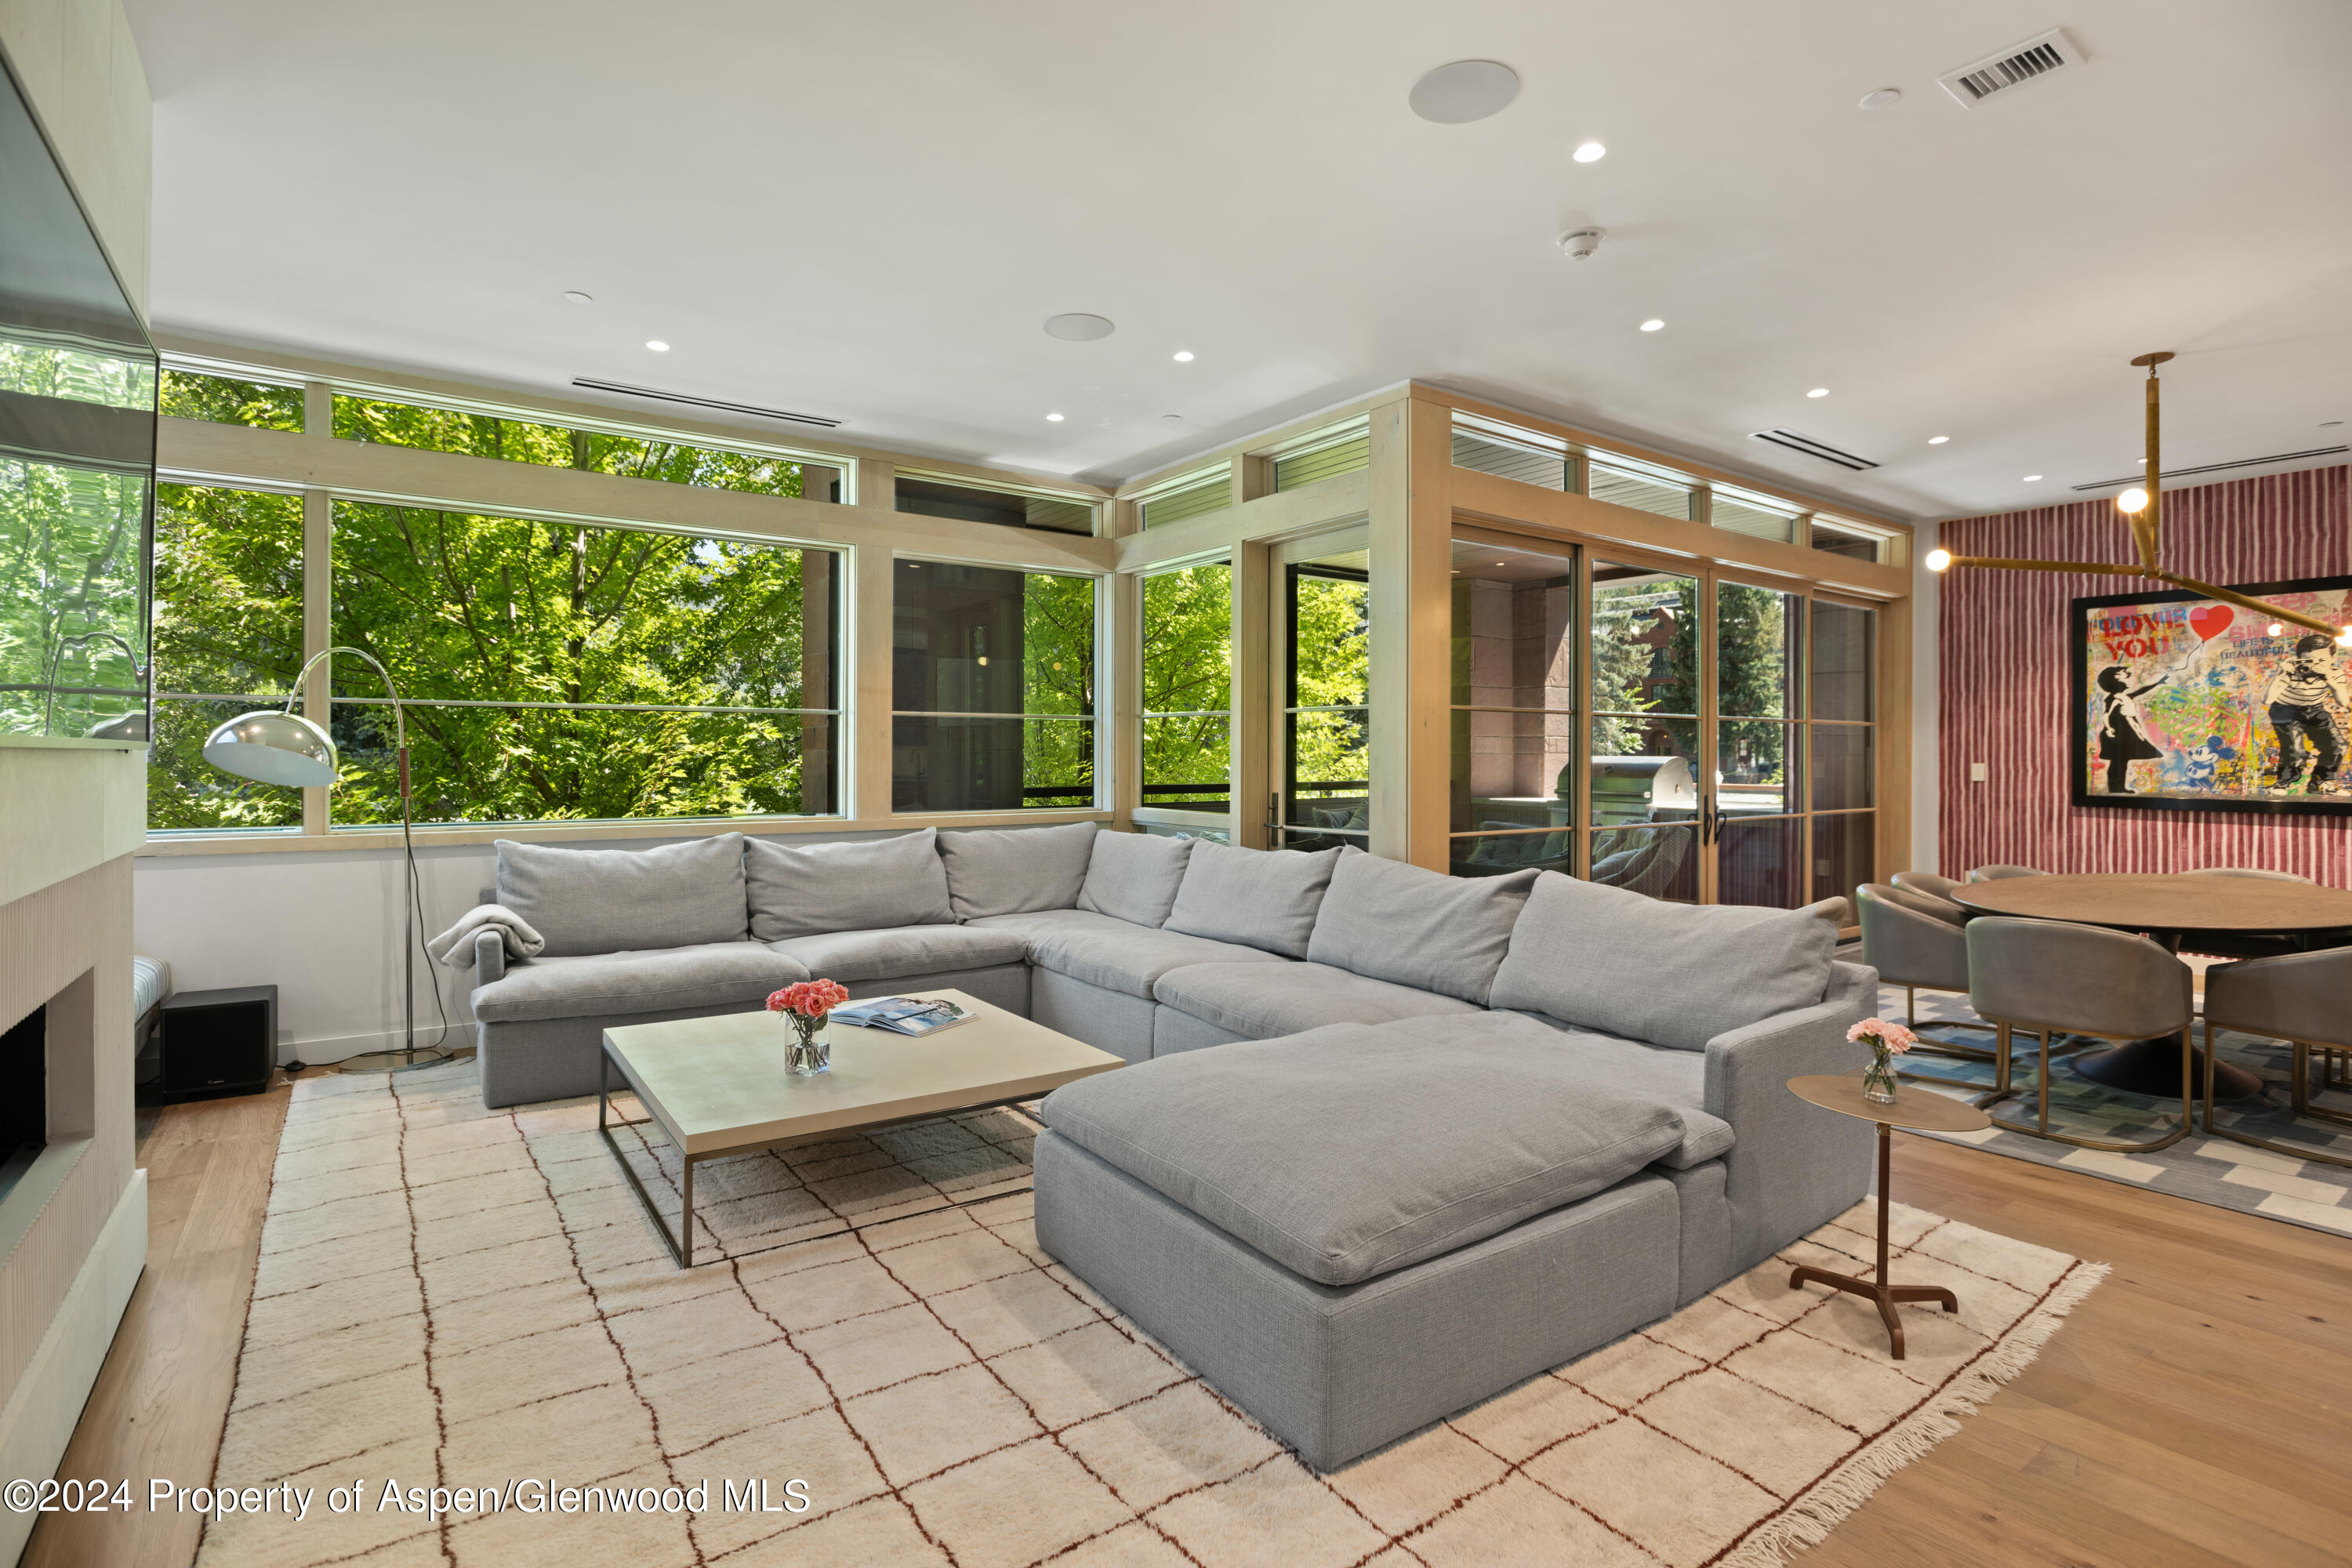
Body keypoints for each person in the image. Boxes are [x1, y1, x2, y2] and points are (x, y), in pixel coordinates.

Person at [2263, 633, 2350, 791]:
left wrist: (2328, 677)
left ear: (2333, 657)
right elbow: (2267, 700)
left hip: (2314, 708)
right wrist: (2281, 675)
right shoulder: (2292, 671)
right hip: (2284, 708)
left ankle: (2320, 782)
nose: (2314, 666)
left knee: (2338, 746)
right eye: (2308, 661)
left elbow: (2343, 702)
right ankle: (2283, 783)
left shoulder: (2335, 673)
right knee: (2294, 748)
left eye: (2322, 660)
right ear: (2298, 659)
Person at [2093, 665, 2166, 793]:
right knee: (2117, 761)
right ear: (2116, 680)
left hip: (2126, 732)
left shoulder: (2126, 696)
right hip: (2117, 733)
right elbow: (2106, 714)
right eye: (2126, 677)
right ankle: (2114, 788)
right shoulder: (2113, 698)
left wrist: (2158, 683)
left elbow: (2141, 691)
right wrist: (2109, 729)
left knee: (2123, 761)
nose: (2129, 679)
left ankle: (2119, 787)